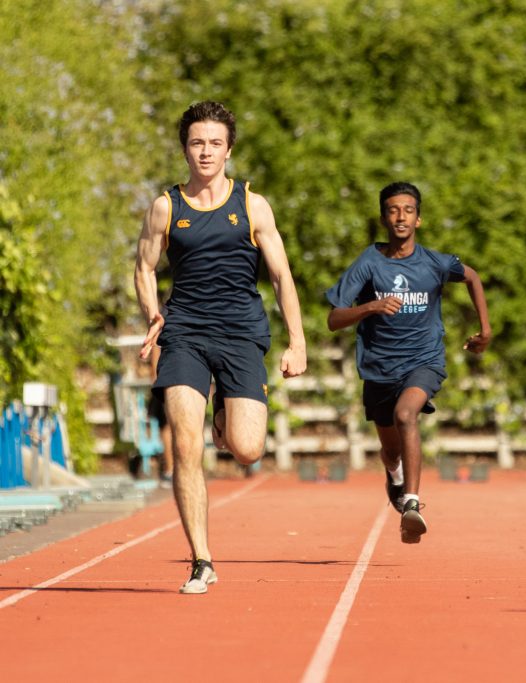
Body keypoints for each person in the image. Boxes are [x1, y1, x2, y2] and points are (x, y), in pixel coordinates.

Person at [134, 101, 307, 594]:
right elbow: (144, 266)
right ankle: (202, 560)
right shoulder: (167, 207)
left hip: (240, 334)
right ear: (184, 148)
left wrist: (298, 342)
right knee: (186, 448)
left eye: (214, 143)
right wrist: (153, 314)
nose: (205, 151)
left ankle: (224, 421)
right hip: (184, 332)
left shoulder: (253, 206)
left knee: (248, 450)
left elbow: (280, 275)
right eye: (196, 142)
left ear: (229, 149)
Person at [326, 181, 491, 544]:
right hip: (379, 367)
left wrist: (485, 330)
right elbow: (334, 318)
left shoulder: (434, 262)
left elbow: (473, 277)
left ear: (418, 219)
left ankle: (412, 502)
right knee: (389, 447)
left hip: (423, 360)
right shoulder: (369, 263)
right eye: (393, 210)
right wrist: (370, 306)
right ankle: (395, 474)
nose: (401, 217)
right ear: (384, 217)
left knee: (406, 414)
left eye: (408, 210)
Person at [147, 344, 173, 488]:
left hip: (169, 378)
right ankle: (171, 469)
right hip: (170, 379)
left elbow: (156, 349)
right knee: (168, 427)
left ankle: (171, 470)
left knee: (168, 427)